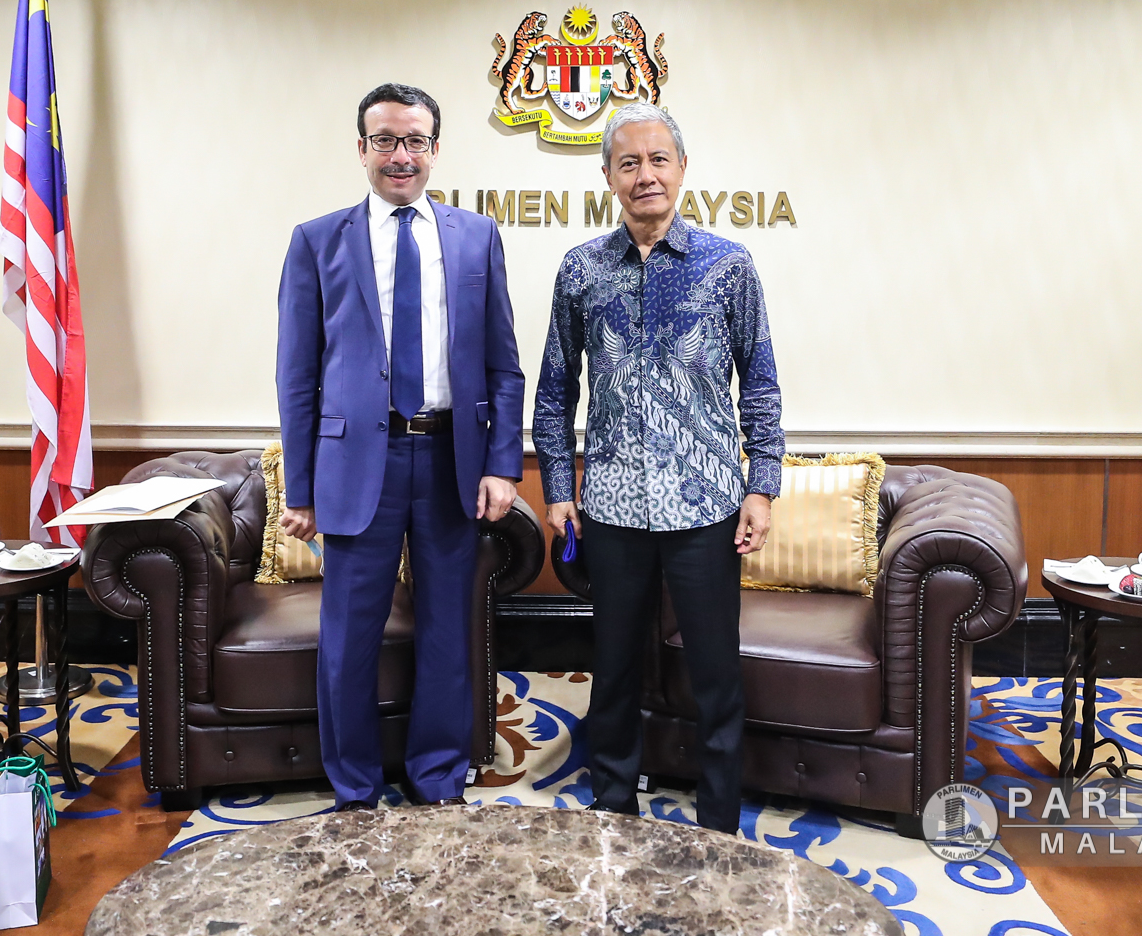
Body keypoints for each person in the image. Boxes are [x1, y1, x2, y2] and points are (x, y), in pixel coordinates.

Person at [532, 101, 783, 834]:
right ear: (608, 176)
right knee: (613, 670)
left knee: (715, 673)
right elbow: (555, 389)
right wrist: (558, 490)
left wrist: (762, 486)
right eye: (629, 163)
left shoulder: (728, 265)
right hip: (611, 508)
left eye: (658, 159)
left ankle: (719, 822)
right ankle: (613, 808)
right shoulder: (582, 269)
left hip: (706, 505)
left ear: (682, 168)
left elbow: (760, 381)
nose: (645, 175)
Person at [276, 83, 525, 810]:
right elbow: (297, 376)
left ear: (435, 150)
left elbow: (504, 365)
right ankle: (355, 788)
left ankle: (436, 778)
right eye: (385, 140)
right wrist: (301, 488)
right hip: (361, 467)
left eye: (415, 140)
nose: (400, 155)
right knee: (349, 639)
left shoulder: (476, 237)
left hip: (451, 461)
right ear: (362, 149)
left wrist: (503, 464)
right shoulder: (317, 241)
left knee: (447, 633)